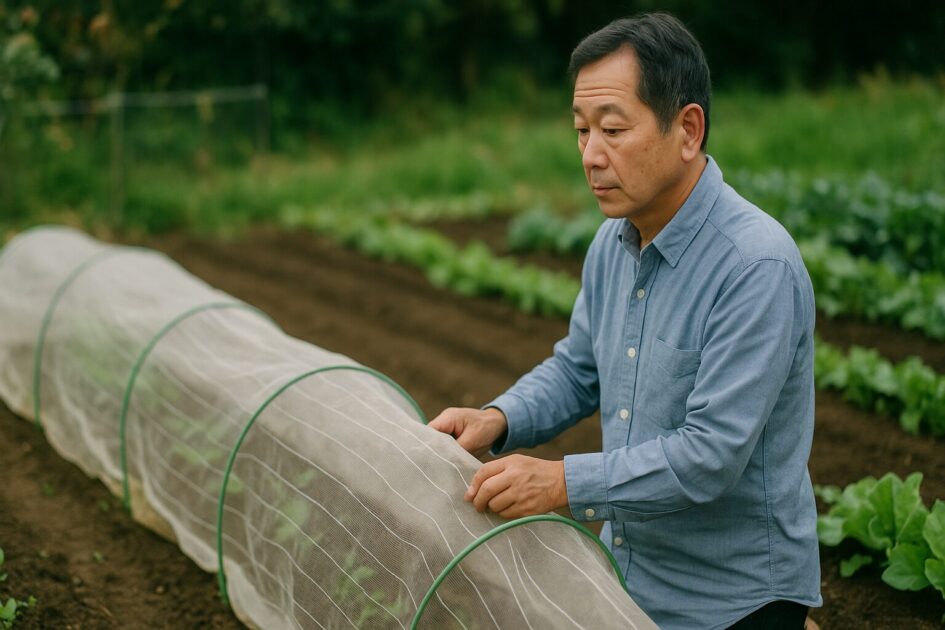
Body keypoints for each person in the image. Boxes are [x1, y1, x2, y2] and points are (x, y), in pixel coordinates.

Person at [428, 12, 822, 630]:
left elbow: (710, 455)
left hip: (736, 601)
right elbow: (579, 369)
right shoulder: (614, 244)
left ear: (687, 129)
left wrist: (562, 483)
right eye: (582, 131)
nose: (591, 155)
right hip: (626, 577)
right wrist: (497, 419)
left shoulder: (755, 265)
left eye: (613, 129)